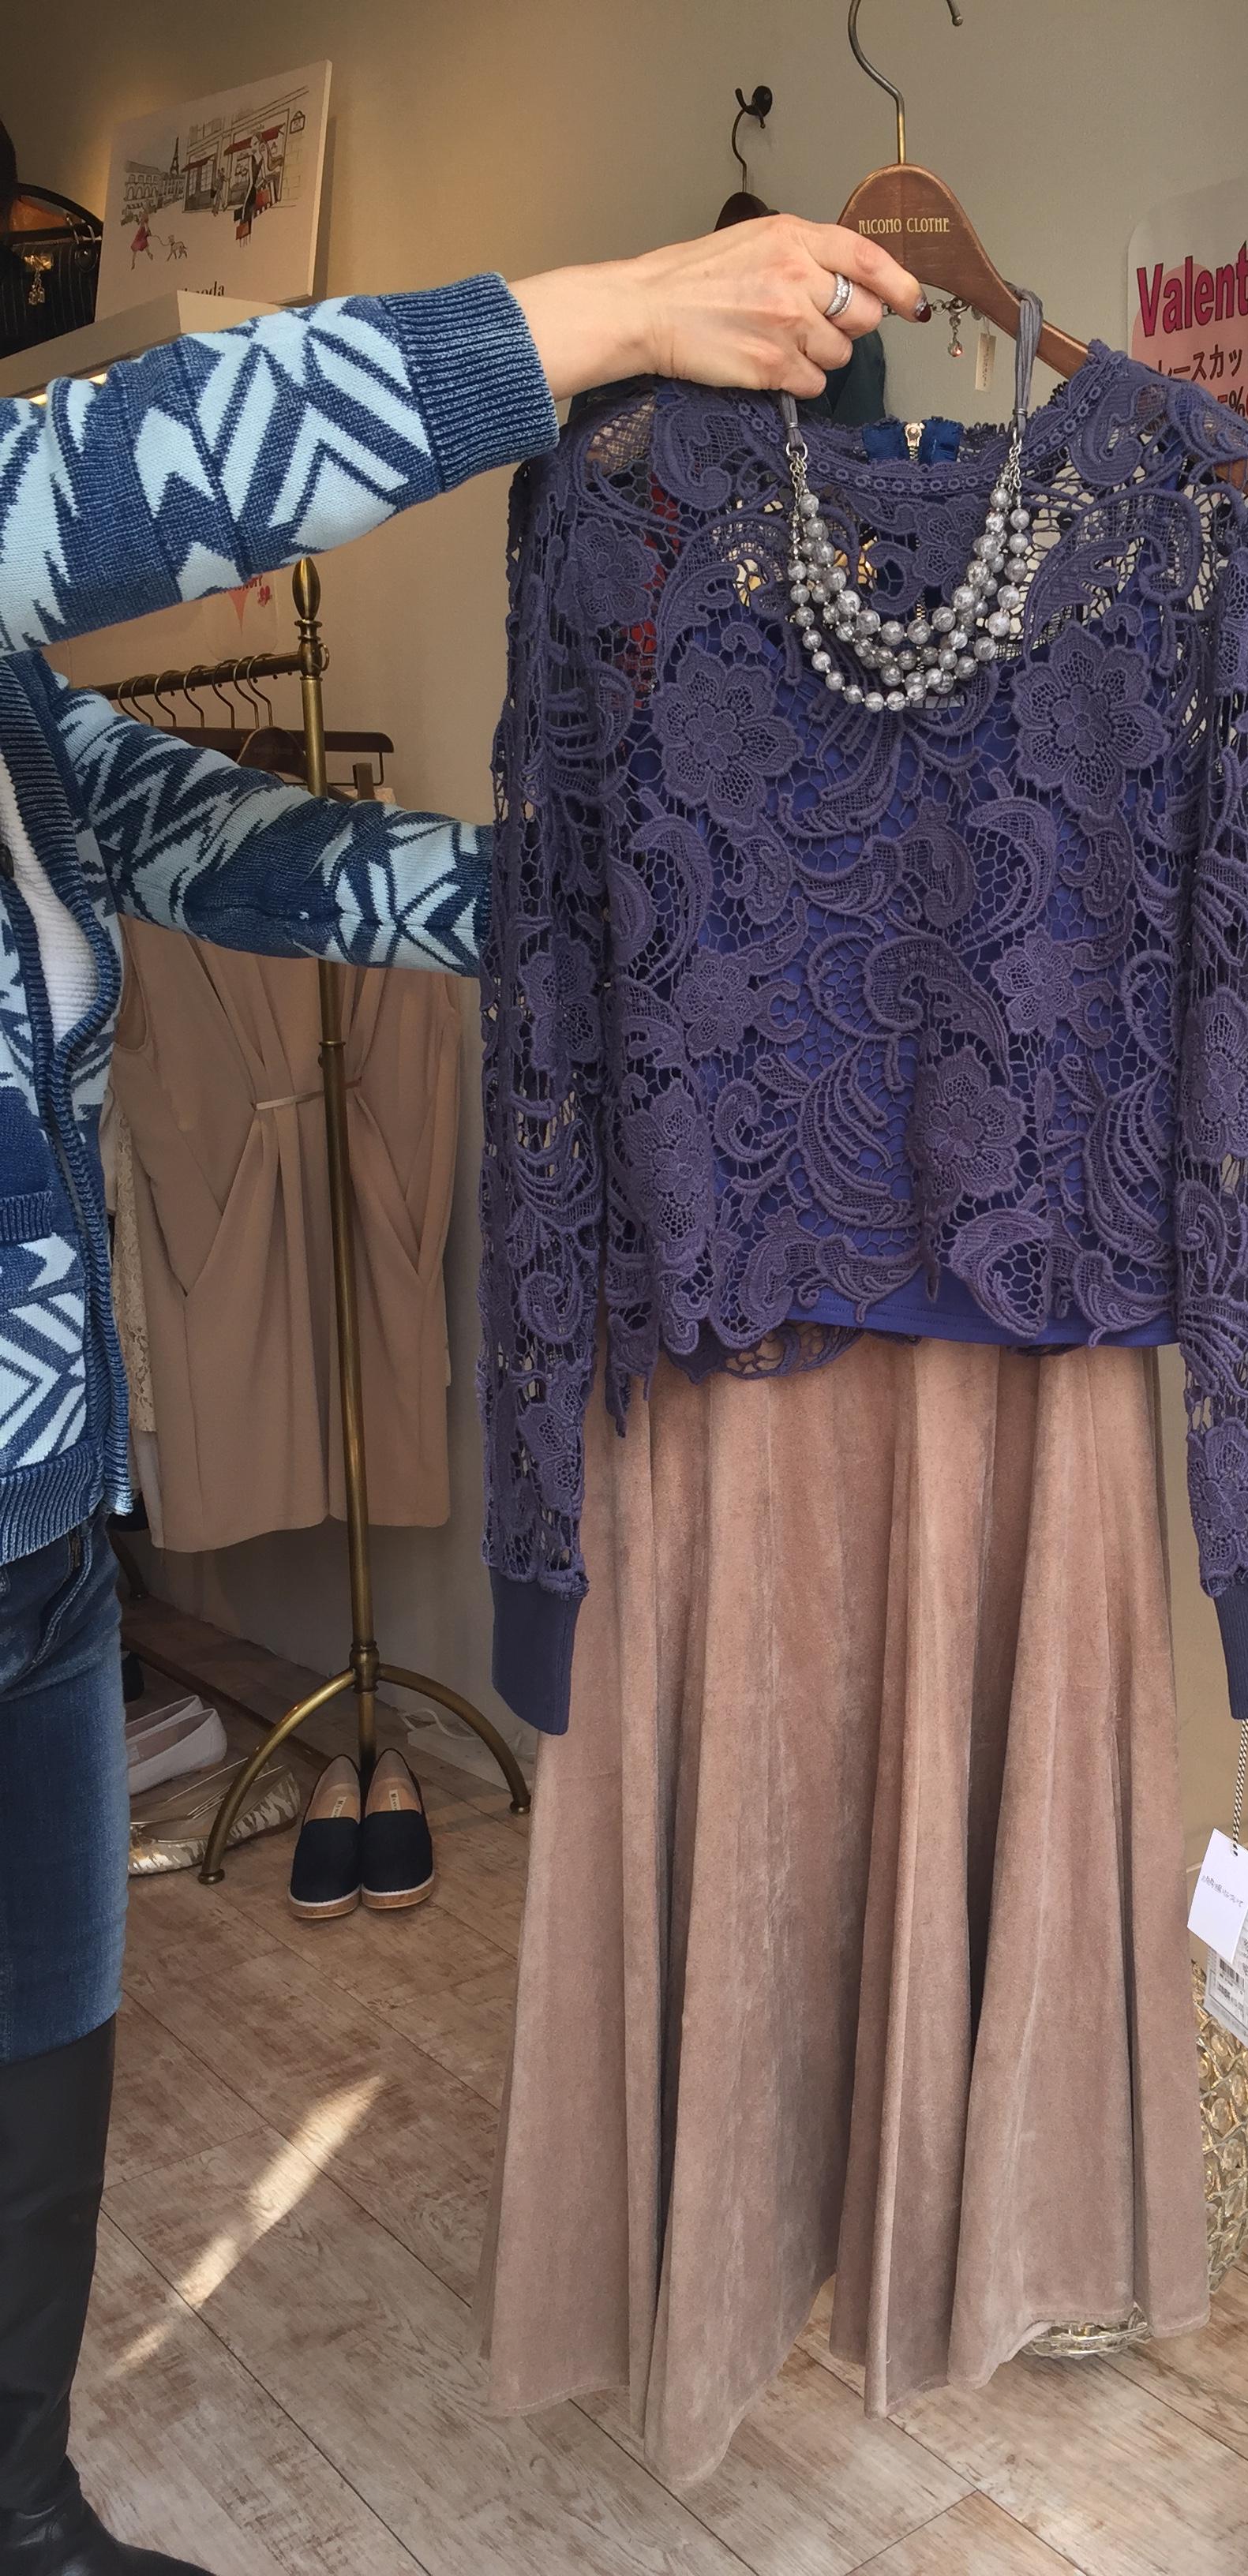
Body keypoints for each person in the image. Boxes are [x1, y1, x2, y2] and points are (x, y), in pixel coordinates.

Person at [0, 215, 925, 2576]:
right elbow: (130, 469)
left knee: (39, 2027)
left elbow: (236, 848)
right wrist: (623, 311)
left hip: (33, 1518)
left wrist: (631, 906)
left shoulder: (10, 718)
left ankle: (21, 2513)